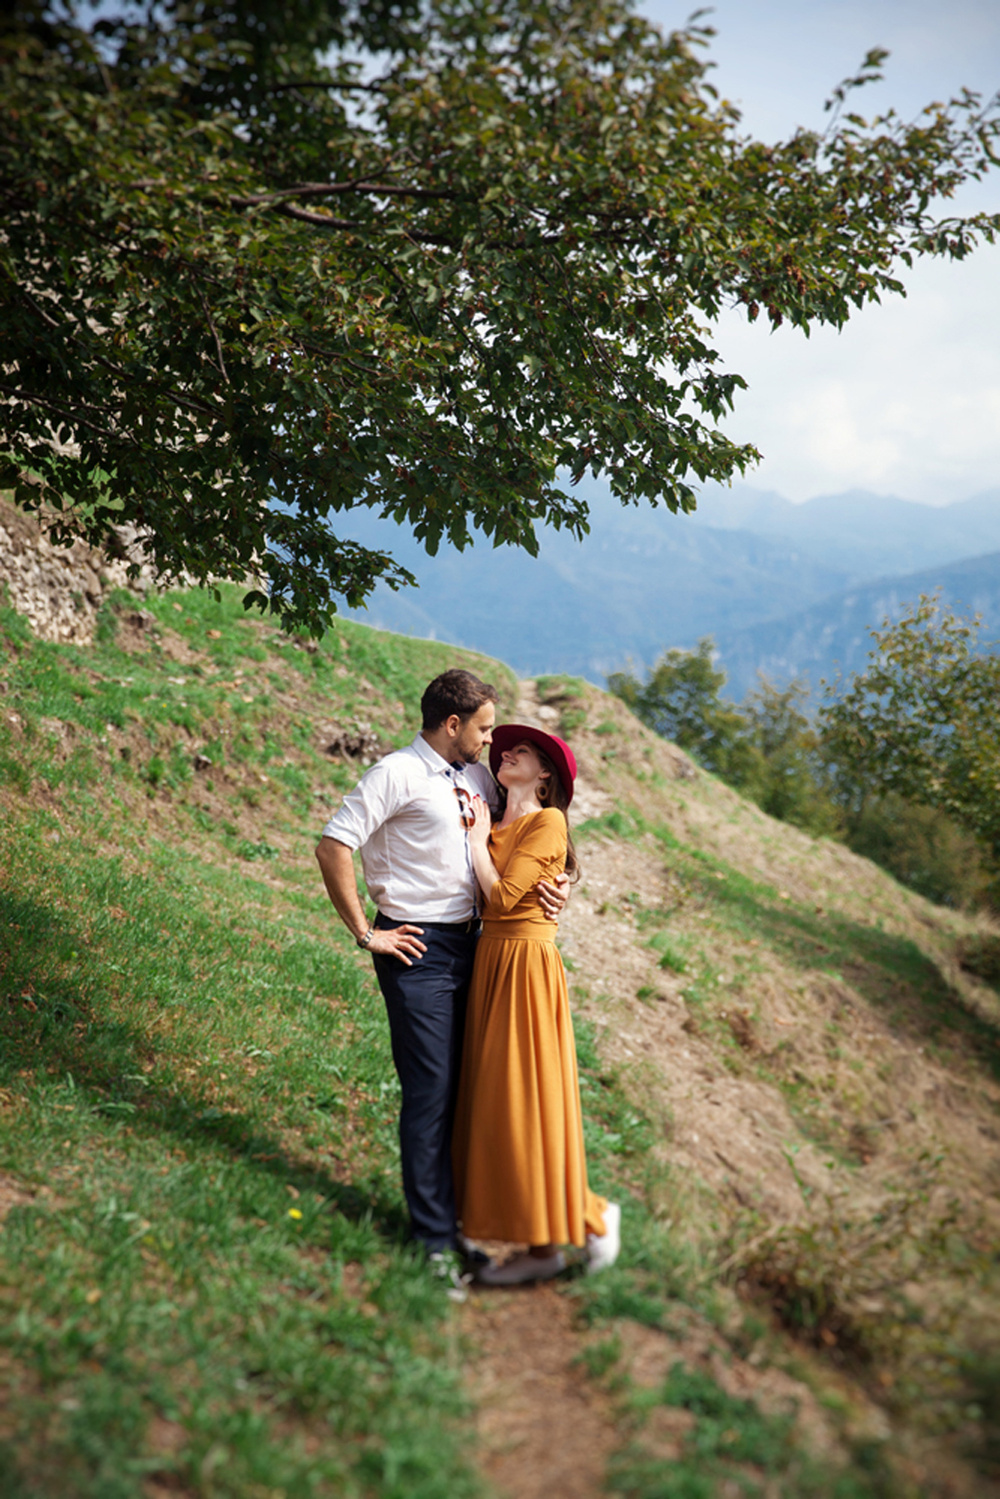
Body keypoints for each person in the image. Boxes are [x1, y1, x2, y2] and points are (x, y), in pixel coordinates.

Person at [314, 670, 567, 1273]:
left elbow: (531, 835)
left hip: (477, 947)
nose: (491, 743)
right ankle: (433, 1243)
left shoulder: (479, 776)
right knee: (430, 1094)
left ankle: (458, 1229)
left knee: (467, 1092)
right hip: (417, 949)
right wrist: (365, 932)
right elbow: (333, 845)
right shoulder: (394, 774)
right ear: (452, 724)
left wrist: (558, 887)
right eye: (483, 729)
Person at [452, 724, 621, 1285]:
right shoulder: (495, 813)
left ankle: (582, 1219)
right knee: (500, 1100)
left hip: (524, 966)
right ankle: (540, 1238)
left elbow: (501, 897)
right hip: (491, 961)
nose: (506, 754)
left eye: (521, 751)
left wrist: (478, 844)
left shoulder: (546, 821)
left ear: (545, 772)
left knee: (526, 1096)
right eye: (504, 749)